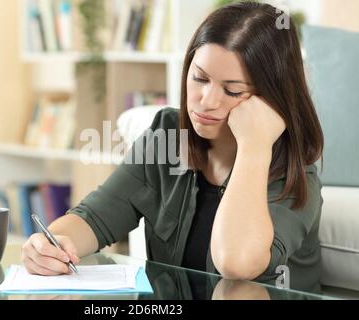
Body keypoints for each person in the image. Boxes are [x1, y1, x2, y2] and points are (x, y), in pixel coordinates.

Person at [21, 1, 324, 293]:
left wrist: (254, 146)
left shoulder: (296, 175)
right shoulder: (166, 135)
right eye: (199, 78)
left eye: (232, 90)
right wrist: (51, 246)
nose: (207, 100)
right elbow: (93, 218)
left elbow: (237, 263)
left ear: (269, 98)